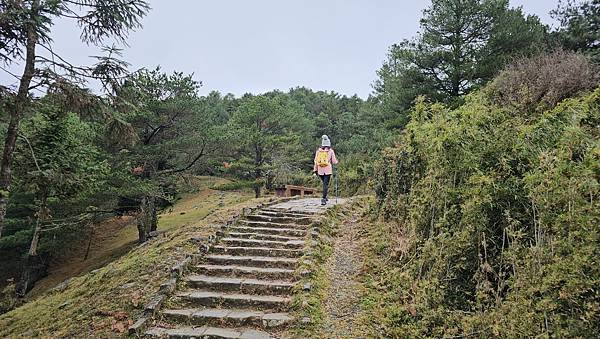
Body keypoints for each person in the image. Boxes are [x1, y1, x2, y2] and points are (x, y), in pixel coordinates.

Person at [313, 135, 338, 205]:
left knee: (324, 183)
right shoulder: (330, 151)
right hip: (328, 170)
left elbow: (316, 161)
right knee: (325, 184)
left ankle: (325, 196)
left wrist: (315, 171)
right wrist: (337, 162)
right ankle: (323, 198)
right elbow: (334, 161)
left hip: (320, 170)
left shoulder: (318, 151)